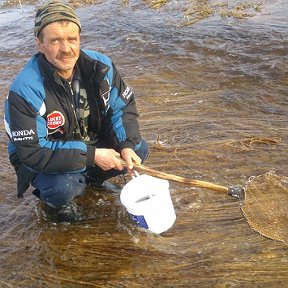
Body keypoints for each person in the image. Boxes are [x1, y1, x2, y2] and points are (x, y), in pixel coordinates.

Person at [4, 0, 149, 215]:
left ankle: (89, 183)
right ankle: (57, 206)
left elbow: (122, 108)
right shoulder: (25, 90)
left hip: (85, 142)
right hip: (41, 157)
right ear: (40, 44)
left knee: (138, 149)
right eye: (55, 41)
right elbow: (34, 153)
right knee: (62, 187)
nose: (66, 49)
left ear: (79, 39)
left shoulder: (101, 67)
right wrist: (93, 156)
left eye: (72, 39)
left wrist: (125, 145)